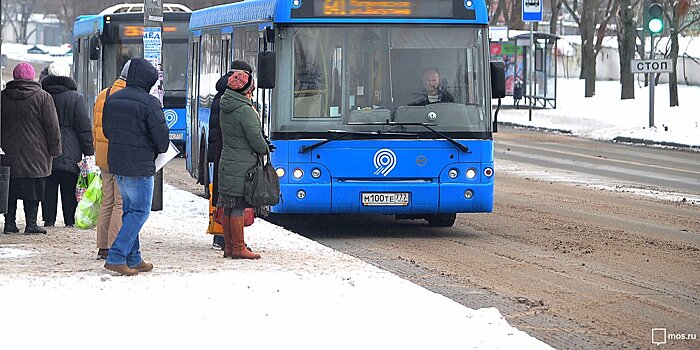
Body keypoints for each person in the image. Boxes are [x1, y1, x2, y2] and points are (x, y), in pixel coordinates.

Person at [102, 58, 169, 275]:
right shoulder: (150, 103)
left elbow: (107, 132)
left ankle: (134, 257)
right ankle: (117, 256)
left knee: (130, 211)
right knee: (140, 211)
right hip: (139, 166)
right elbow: (162, 140)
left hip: (118, 164)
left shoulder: (113, 98)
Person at [1, 62, 61, 234]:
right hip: (36, 154)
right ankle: (31, 223)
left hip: (8, 152)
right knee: (33, 188)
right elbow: (52, 127)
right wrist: (54, 150)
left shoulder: (3, 97)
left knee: (9, 188)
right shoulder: (43, 97)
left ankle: (9, 223)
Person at [218, 68, 269, 259]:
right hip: (242, 164)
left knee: (229, 206)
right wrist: (265, 148)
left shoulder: (227, 105)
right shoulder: (245, 110)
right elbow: (255, 137)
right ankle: (239, 247)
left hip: (228, 160)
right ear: (246, 90)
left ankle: (229, 246)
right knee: (238, 205)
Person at [40, 61, 94, 228]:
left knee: (48, 185)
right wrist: (89, 150)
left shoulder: (42, 95)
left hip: (46, 146)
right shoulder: (75, 97)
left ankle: (49, 219)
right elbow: (83, 126)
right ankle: (69, 220)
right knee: (70, 184)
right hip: (71, 147)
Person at [209, 61, 252, 249]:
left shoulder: (222, 96)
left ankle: (227, 241)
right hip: (230, 155)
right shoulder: (235, 102)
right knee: (233, 202)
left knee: (224, 199)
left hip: (223, 154)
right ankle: (233, 243)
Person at [93, 60, 130, 259]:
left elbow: (95, 128)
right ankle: (114, 246)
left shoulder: (103, 94)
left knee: (106, 201)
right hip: (118, 155)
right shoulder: (126, 97)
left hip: (102, 156)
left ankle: (102, 246)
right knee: (119, 202)